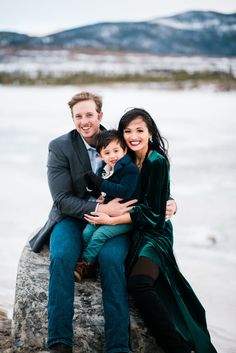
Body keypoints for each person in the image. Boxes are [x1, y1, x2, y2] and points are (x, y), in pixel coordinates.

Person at [29, 92, 177, 353]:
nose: (84, 121)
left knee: (111, 260)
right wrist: (101, 207)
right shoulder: (59, 146)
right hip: (71, 218)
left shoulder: (120, 142)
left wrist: (172, 201)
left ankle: (118, 346)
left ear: (100, 115)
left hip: (113, 221)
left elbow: (145, 177)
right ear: (72, 119)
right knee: (62, 256)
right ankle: (59, 343)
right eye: (78, 116)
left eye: (89, 115)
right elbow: (62, 199)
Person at [85, 108, 217, 353]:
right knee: (140, 283)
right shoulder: (126, 160)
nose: (133, 136)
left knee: (140, 284)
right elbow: (139, 193)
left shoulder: (156, 161)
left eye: (139, 130)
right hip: (135, 230)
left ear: (150, 133)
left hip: (154, 235)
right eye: (127, 131)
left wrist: (112, 220)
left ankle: (176, 347)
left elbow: (154, 212)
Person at [74, 129, 140, 281]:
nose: (113, 156)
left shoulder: (130, 170)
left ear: (124, 150)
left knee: (100, 234)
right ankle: (90, 264)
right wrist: (98, 195)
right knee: (87, 232)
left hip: (127, 216)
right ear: (100, 156)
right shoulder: (103, 169)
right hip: (109, 210)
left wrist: (101, 184)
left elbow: (124, 191)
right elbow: (98, 188)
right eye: (107, 152)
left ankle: (84, 263)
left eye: (116, 150)